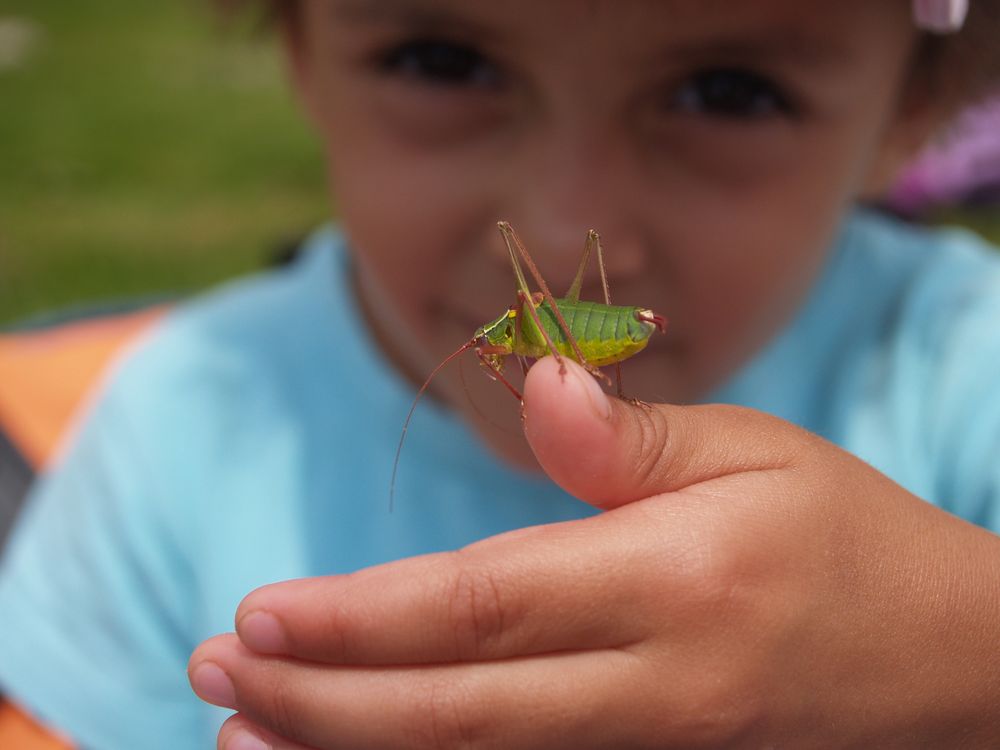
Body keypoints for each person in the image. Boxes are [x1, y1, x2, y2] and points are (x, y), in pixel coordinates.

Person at [2, 0, 1000, 747]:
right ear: (300, 51)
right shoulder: (173, 417)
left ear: (909, 115)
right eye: (443, 61)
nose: (567, 221)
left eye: (728, 92)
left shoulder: (962, 357)